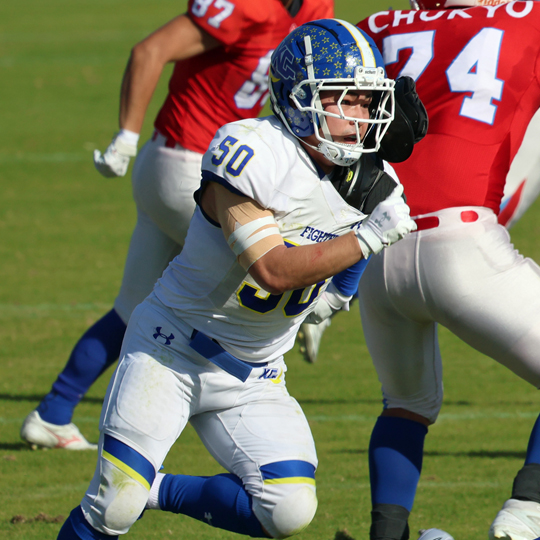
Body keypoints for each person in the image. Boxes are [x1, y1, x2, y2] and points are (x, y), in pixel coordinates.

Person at [55, 18, 417, 540]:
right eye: (344, 100)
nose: (360, 117)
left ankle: (156, 490)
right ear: (299, 100)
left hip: (257, 374)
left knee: (288, 509)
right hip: (172, 350)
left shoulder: (372, 179)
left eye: (367, 102)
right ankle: (130, 494)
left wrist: (339, 293)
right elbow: (271, 270)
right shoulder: (251, 151)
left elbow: (355, 228)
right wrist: (366, 238)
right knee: (113, 507)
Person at [20, 0, 334, 450]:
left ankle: (53, 412)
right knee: (265, 270)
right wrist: (126, 135)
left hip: (188, 166)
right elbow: (150, 50)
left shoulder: (312, 8)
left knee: (132, 306)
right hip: (192, 167)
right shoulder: (250, 5)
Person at [353, 1, 540, 539]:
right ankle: (528, 508)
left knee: (406, 405)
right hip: (462, 243)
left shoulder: (376, 27)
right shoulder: (525, 17)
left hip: (377, 248)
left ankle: (387, 534)